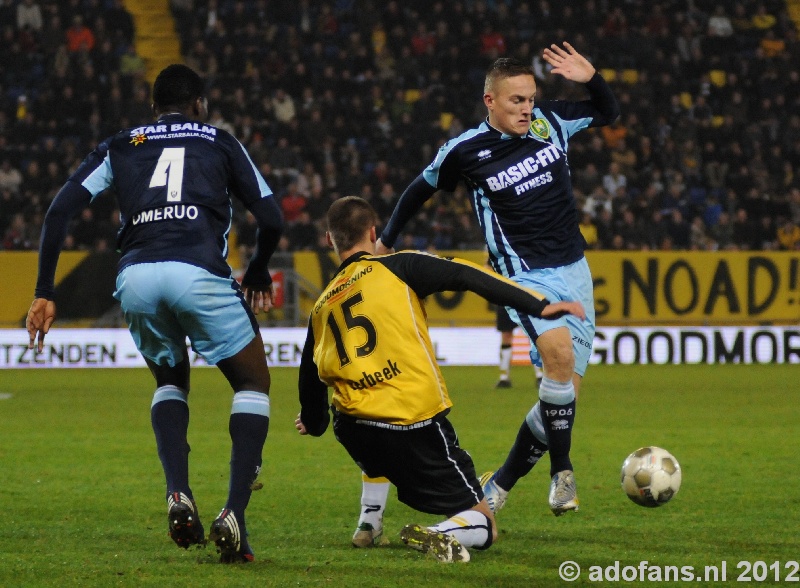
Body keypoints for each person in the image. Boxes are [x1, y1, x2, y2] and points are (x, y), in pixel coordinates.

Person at [25, 64, 283, 563]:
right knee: (253, 385)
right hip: (198, 269)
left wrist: (43, 291)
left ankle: (177, 492)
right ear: (199, 104)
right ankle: (234, 514)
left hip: (137, 276)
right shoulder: (220, 141)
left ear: (153, 107)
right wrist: (257, 270)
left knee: (170, 382)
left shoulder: (121, 144)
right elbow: (271, 217)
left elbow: (59, 210)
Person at [376, 44, 619, 516]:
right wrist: (386, 241)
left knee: (559, 402)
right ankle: (562, 473)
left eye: (530, 99)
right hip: (523, 276)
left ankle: (499, 485)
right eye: (516, 101)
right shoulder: (465, 151)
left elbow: (608, 112)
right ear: (490, 101)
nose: (527, 109)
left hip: (575, 271)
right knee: (558, 358)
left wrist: (592, 77)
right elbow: (418, 190)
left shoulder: (552, 122)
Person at [295, 196, 585, 562]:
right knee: (483, 525)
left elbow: (311, 395)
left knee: (366, 434)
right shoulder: (398, 267)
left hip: (353, 430)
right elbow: (464, 274)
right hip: (412, 425)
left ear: (329, 241)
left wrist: (314, 421)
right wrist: (538, 304)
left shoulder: (319, 307)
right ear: (373, 232)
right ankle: (437, 533)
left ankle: (369, 525)